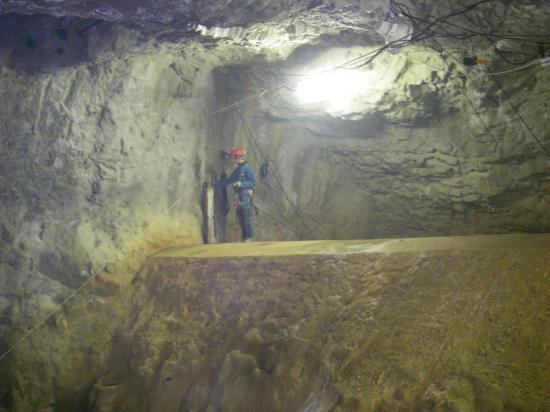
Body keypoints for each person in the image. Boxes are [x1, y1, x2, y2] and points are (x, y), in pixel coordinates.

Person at [219, 147, 257, 242]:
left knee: (246, 217)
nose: (232, 160)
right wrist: (218, 183)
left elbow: (253, 182)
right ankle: (244, 238)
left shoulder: (247, 168)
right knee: (241, 217)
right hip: (239, 197)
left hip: (245, 197)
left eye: (233, 158)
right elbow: (230, 180)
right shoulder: (238, 169)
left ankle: (249, 237)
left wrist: (241, 184)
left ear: (238, 157)